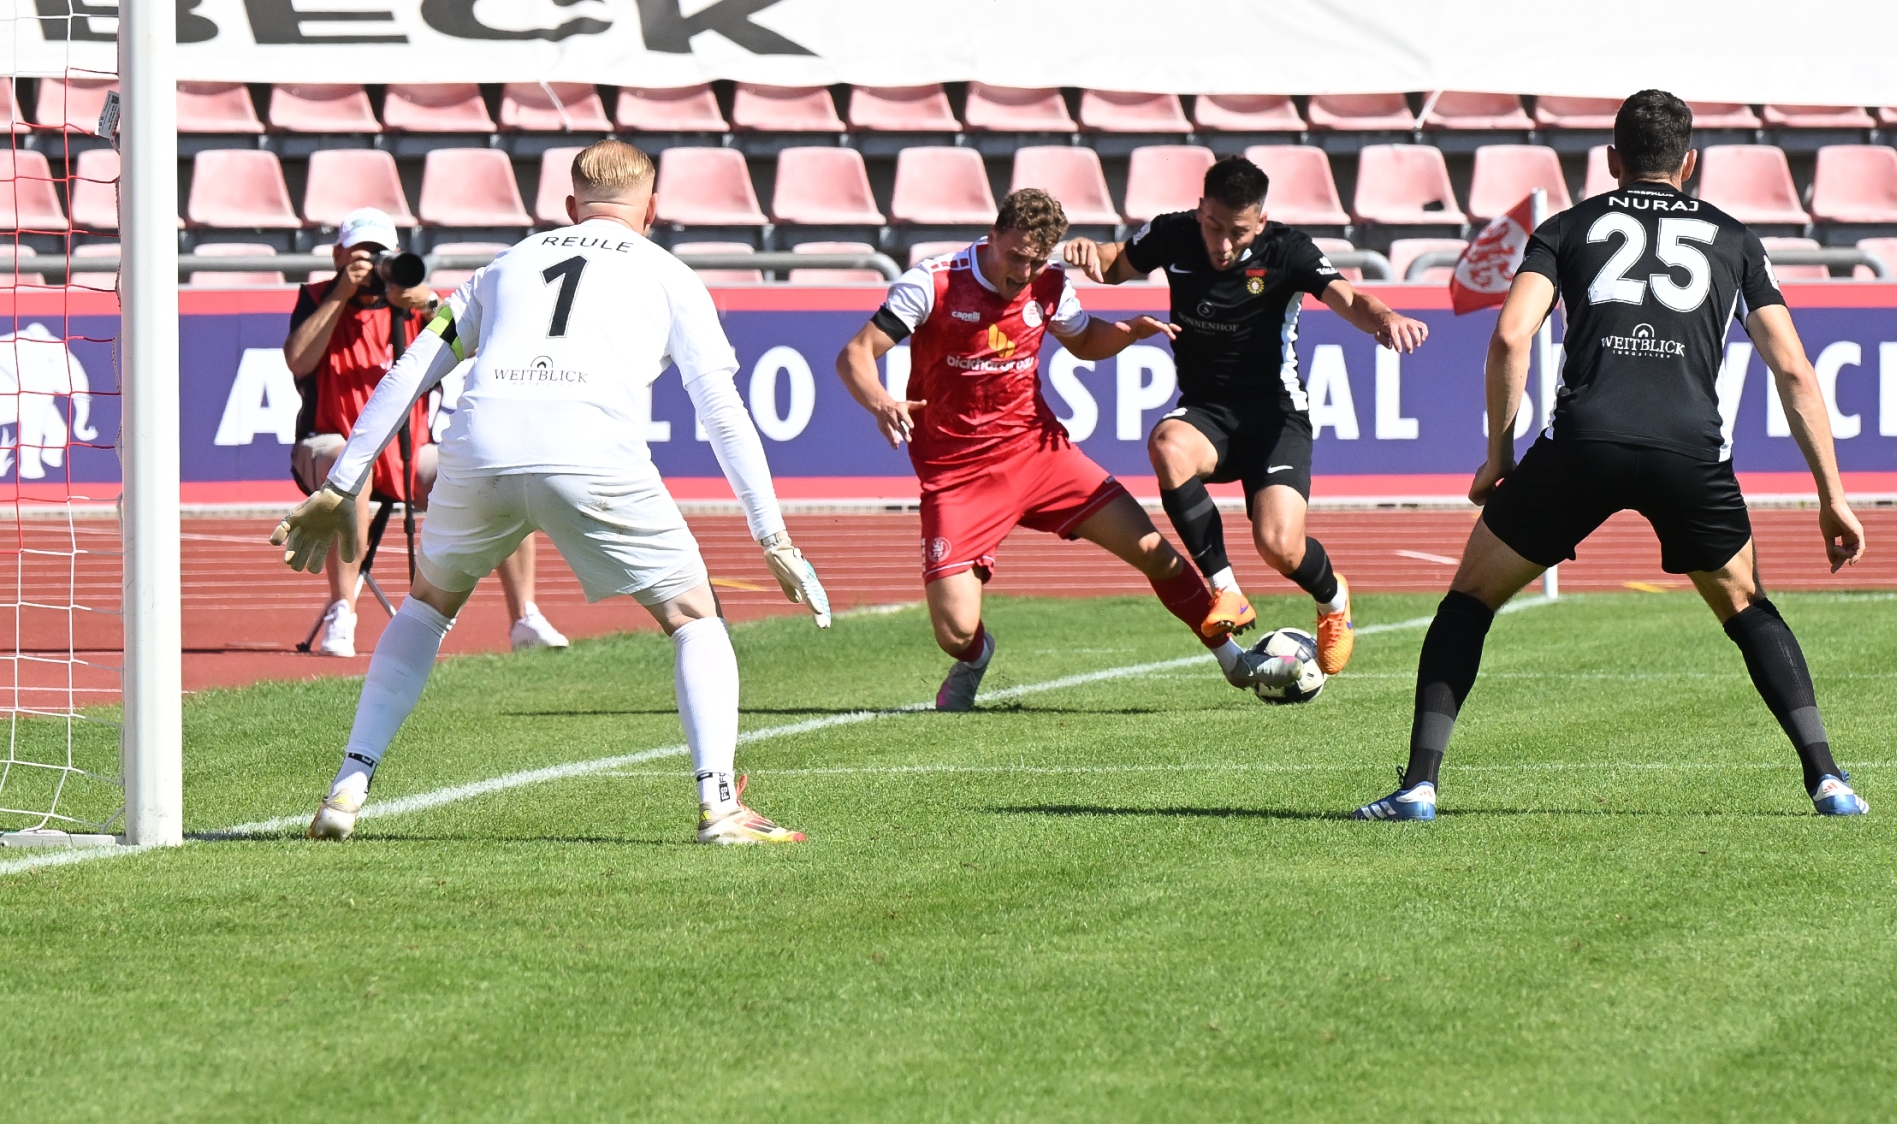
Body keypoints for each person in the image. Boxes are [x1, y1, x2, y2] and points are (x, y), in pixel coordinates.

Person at [273, 141, 830, 845]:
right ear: (653, 209)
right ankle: (720, 807)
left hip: (481, 446)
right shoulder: (671, 274)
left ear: (570, 207)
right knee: (695, 616)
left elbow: (410, 369)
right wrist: (771, 534)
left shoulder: (504, 264)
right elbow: (721, 410)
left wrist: (342, 480)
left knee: (426, 606)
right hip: (591, 451)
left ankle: (348, 786)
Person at [1354, 90, 1869, 821]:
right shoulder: (1735, 239)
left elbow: (1511, 337)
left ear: (1611, 160)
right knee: (1747, 606)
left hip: (1584, 442)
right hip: (1688, 449)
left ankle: (1419, 786)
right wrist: (1833, 497)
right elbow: (1792, 368)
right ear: (1689, 164)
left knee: (1468, 600)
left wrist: (1498, 454)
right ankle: (1828, 780)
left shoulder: (1567, 227)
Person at [836, 188, 1294, 710]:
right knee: (955, 632)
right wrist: (880, 400)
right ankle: (976, 657)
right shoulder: (933, 283)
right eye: (1015, 256)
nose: (1023, 272)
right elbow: (856, 353)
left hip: (1041, 456)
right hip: (957, 475)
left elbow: (1083, 341)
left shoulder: (1049, 283)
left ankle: (1235, 662)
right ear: (992, 236)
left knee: (1158, 555)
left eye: (1035, 261)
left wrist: (1127, 332)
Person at [1060, 155, 1429, 679]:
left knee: (1279, 547)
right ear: (1201, 209)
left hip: (1275, 416)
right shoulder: (1173, 234)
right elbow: (1115, 263)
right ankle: (1226, 591)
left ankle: (1332, 600)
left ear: (1260, 221)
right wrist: (1088, 251)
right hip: (1207, 412)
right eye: (1213, 226)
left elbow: (1348, 297)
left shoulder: (1288, 249)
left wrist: (1384, 317)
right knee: (1167, 444)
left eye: (1238, 232)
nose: (1223, 243)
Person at [285, 208, 568, 656]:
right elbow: (298, 360)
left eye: (380, 254)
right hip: (328, 440)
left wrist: (430, 305)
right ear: (339, 255)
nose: (372, 264)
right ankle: (343, 611)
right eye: (361, 253)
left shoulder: (412, 304)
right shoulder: (318, 297)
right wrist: (342, 292)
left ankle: (525, 617)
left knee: (498, 472)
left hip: (409, 449)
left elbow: (477, 345)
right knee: (347, 464)